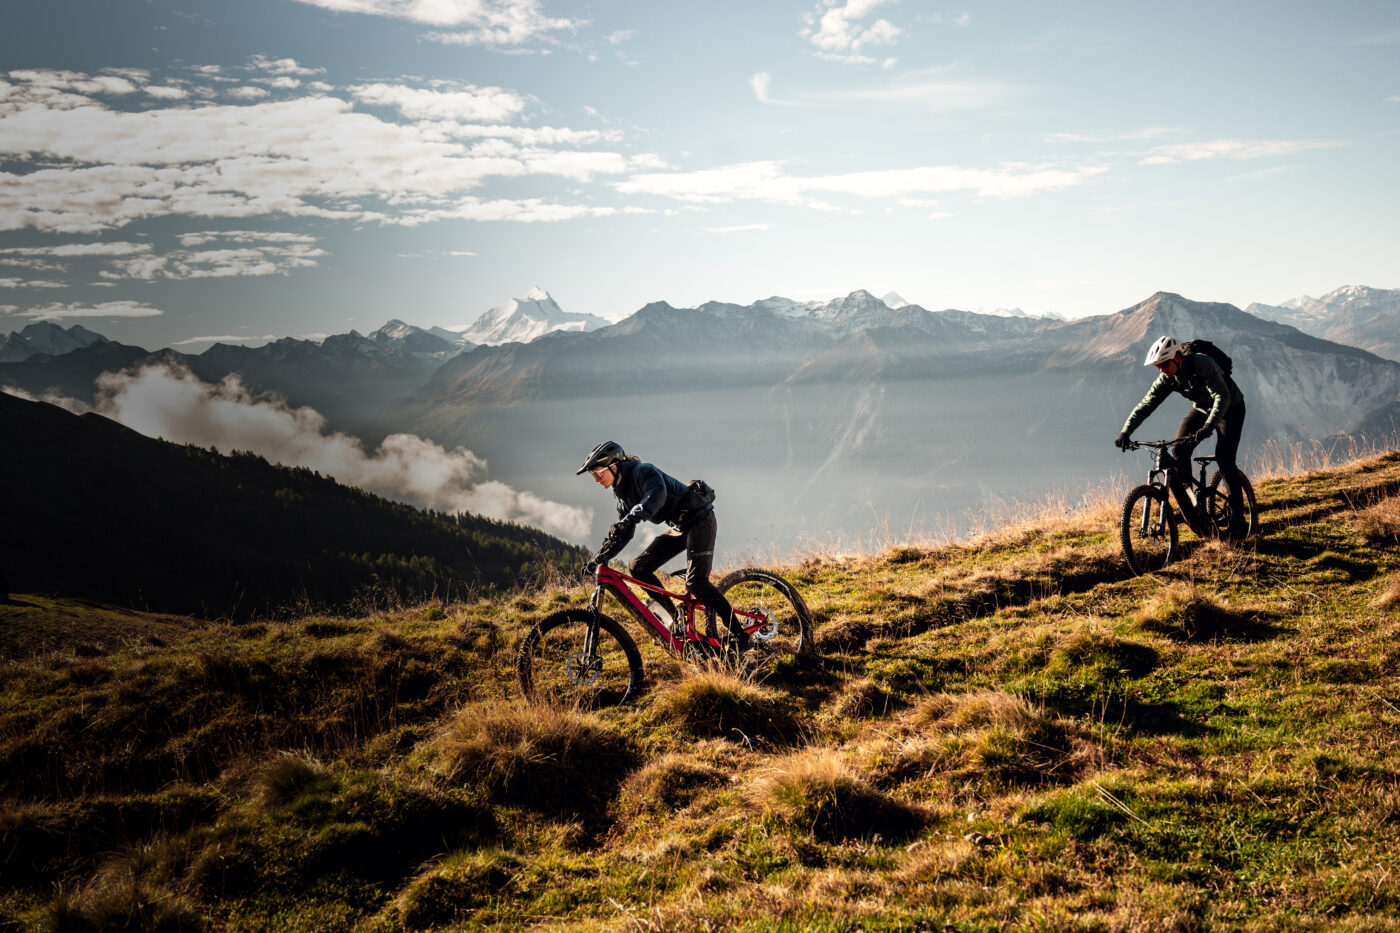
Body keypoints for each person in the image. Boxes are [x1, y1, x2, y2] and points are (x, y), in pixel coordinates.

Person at [576, 441, 747, 652]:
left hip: (700, 519)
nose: (596, 479)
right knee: (638, 567)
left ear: (613, 464)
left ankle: (741, 634)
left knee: (697, 582)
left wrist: (633, 515)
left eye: (598, 473)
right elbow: (624, 532)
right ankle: (677, 622)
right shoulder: (621, 493)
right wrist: (600, 558)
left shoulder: (643, 471)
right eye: (593, 476)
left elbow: (656, 496)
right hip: (680, 526)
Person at [1115, 336, 1248, 538]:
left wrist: (1209, 426)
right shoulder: (1167, 378)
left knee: (1224, 458)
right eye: (1158, 366)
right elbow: (1146, 404)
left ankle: (1239, 519)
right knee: (1179, 450)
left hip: (1230, 408)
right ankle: (1190, 504)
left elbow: (1222, 396)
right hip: (1202, 409)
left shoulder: (1202, 363)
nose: (1162, 369)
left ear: (1178, 358)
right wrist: (1126, 431)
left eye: (1165, 364)